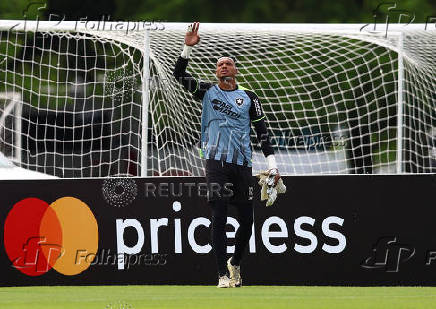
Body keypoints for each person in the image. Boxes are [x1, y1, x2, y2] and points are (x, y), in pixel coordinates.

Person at [173, 22, 281, 288]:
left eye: (227, 64)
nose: (223, 66)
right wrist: (187, 46)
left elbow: (262, 132)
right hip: (215, 162)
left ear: (235, 70)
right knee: (218, 214)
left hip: (242, 165)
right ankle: (222, 274)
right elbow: (179, 74)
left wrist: (273, 165)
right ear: (216, 72)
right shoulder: (208, 91)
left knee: (247, 220)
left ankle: (235, 263)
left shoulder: (249, 97)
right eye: (219, 64)